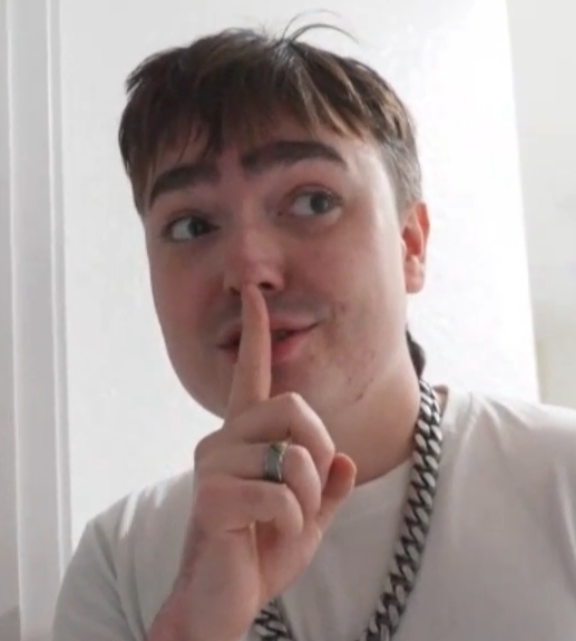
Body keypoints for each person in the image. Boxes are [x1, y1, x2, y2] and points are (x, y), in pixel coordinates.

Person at [52, 24, 576, 641]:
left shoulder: (560, 479)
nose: (248, 269)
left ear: (410, 245)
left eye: (312, 202)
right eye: (192, 226)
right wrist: (195, 625)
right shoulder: (119, 563)